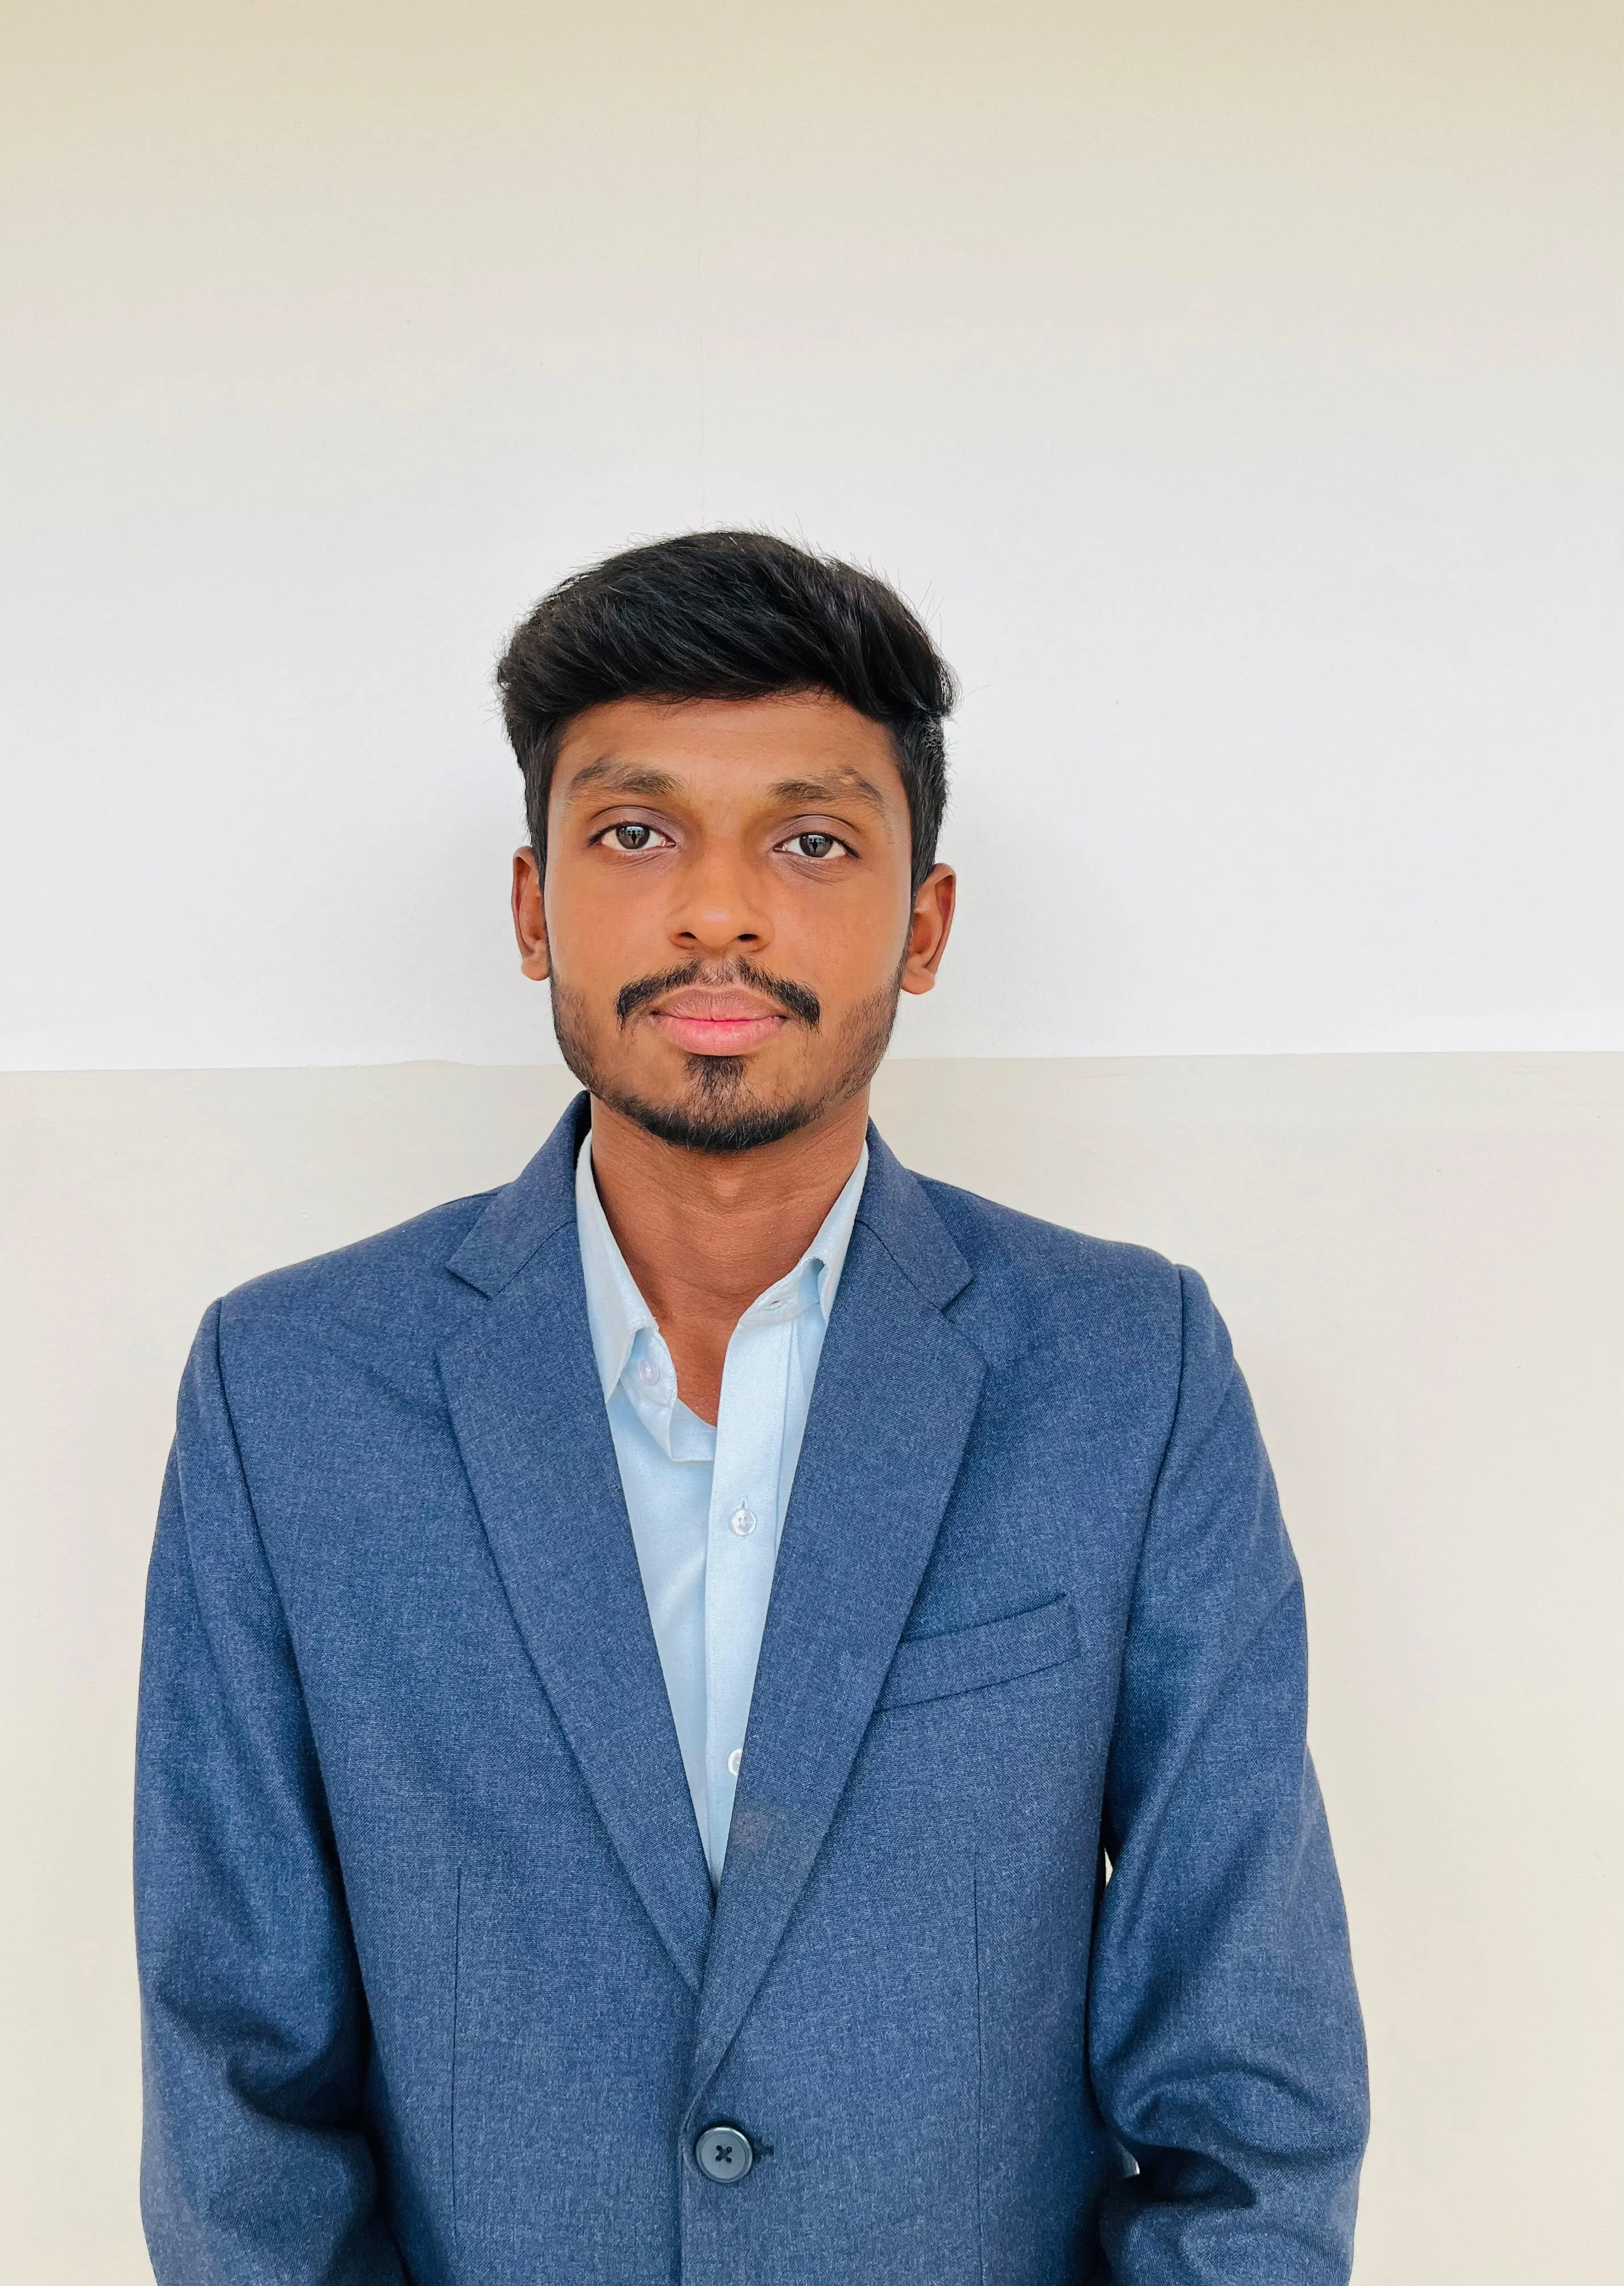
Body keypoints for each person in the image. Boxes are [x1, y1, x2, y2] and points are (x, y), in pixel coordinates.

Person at [134, 531, 1368, 2285]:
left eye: (811, 841)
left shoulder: (1129, 1371)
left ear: (924, 921)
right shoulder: (290, 1392)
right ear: (530, 903)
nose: (719, 910)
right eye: (635, 834)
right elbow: (236, 2094)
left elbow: (1249, 2071)